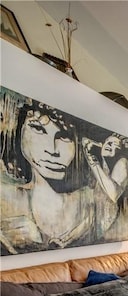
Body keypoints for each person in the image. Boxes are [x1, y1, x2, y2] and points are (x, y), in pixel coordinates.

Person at [0, 94, 96, 254]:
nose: (53, 150)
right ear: (18, 131)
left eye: (64, 136)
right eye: (38, 128)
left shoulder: (91, 204)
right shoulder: (5, 199)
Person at [82, 133, 128, 239]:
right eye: (109, 143)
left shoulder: (123, 163)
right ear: (102, 145)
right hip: (102, 229)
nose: (111, 146)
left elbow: (113, 194)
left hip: (115, 229)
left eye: (116, 147)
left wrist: (92, 161)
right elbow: (93, 212)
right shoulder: (102, 169)